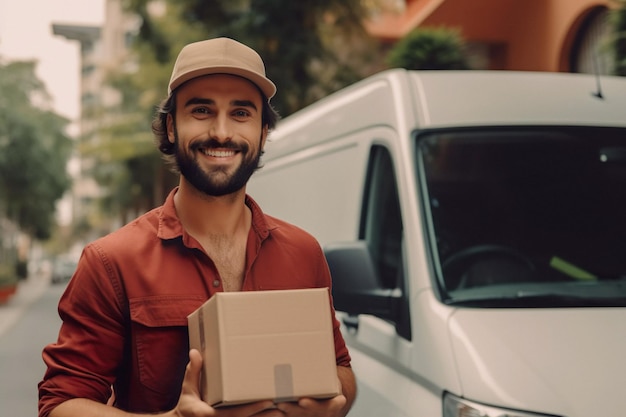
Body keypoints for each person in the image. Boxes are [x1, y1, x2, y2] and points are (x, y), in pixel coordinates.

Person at [38, 37, 356, 417]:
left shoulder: (303, 253)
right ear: (171, 127)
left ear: (263, 133)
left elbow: (339, 370)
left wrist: (328, 405)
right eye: (202, 110)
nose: (221, 132)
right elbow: (60, 405)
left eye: (241, 113)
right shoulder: (111, 262)